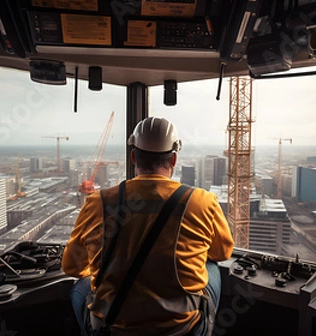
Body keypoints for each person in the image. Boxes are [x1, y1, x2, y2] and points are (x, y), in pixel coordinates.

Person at [62, 116, 234, 336]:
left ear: (133, 156)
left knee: (80, 287)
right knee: (212, 266)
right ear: (173, 160)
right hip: (183, 329)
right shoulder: (201, 201)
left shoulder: (99, 202)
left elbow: (72, 267)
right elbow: (222, 252)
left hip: (112, 329)